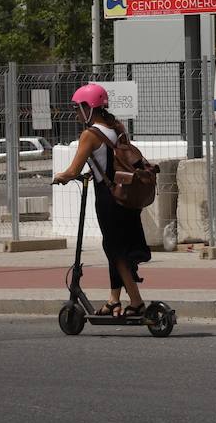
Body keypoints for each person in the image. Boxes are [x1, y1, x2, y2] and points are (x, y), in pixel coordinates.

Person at [52, 83, 152, 317]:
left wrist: (60, 177)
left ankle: (136, 302)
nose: (76, 113)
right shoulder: (115, 127)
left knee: (116, 251)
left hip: (109, 199)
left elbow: (73, 170)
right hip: (125, 195)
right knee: (117, 247)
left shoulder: (90, 134)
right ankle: (114, 300)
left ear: (89, 107)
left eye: (78, 108)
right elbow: (111, 161)